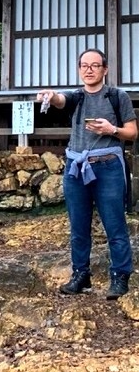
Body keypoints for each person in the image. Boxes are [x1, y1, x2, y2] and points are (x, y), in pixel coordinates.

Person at [37, 48, 137, 300]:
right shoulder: (77, 97)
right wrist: (51, 95)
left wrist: (111, 129)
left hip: (108, 166)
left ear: (105, 69)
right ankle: (81, 275)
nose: (89, 69)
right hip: (76, 167)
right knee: (78, 227)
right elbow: (61, 100)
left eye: (95, 65)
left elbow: (132, 133)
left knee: (115, 224)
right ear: (79, 69)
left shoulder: (117, 96)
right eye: (84, 65)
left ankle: (120, 276)